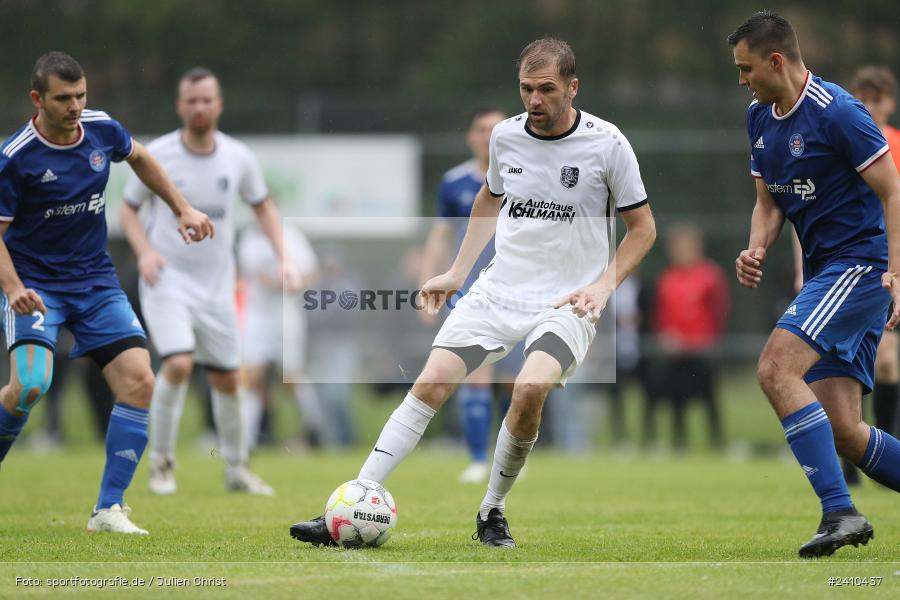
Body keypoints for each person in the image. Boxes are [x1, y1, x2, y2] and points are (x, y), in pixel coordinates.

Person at [290, 37, 656, 548]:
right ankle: (352, 500)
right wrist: (457, 272)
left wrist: (603, 285)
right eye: (526, 89)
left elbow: (643, 229)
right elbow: (489, 198)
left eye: (546, 89)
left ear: (573, 87)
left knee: (529, 390)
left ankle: (492, 511)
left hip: (568, 301)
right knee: (431, 380)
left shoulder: (608, 143)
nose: (534, 100)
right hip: (499, 290)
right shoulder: (506, 136)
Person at [0, 52, 213, 534]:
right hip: (35, 287)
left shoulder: (101, 130)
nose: (75, 106)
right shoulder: (15, 158)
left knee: (140, 381)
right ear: (37, 99)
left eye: (81, 96)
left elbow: (140, 157)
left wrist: (182, 208)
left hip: (95, 282)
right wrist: (12, 288)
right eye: (63, 98)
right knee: (30, 385)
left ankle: (108, 510)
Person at [729, 11, 900, 558]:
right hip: (828, 273)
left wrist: (897, 271)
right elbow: (768, 205)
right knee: (844, 429)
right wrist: (757, 246)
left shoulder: (840, 114)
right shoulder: (759, 118)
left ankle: (840, 512)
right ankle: (841, 507)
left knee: (775, 368)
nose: (741, 80)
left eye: (746, 67)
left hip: (858, 266)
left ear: (775, 61)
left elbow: (893, 192)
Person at [120, 67, 296, 496]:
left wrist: (284, 257)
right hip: (168, 279)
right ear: (180, 106)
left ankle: (237, 470)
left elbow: (264, 207)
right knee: (178, 363)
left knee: (228, 379)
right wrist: (145, 252)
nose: (199, 107)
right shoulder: (157, 153)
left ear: (219, 105)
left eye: (207, 100)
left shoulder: (237, 157)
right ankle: (162, 463)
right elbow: (127, 209)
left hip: (217, 285)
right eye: (191, 101)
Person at [419, 107, 517, 483]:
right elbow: (441, 235)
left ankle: (509, 458)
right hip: (472, 289)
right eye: (480, 129)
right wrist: (428, 282)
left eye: (495, 130)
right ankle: (478, 459)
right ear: (470, 136)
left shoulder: (525, 177)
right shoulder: (454, 182)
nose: (487, 136)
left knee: (515, 380)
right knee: (477, 373)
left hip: (519, 287)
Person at [237, 221, 321, 449]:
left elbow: (310, 274)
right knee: (253, 376)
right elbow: (254, 277)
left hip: (287, 318)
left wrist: (293, 282)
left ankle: (315, 428)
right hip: (257, 318)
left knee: (291, 378)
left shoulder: (293, 236)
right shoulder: (249, 239)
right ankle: (246, 440)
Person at [652, 223, 728, 451]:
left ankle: (717, 443)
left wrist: (713, 340)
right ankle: (679, 443)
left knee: (710, 398)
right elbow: (661, 314)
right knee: (677, 398)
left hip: (703, 349)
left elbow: (720, 310)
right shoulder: (667, 278)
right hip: (677, 352)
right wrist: (664, 337)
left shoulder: (710, 275)